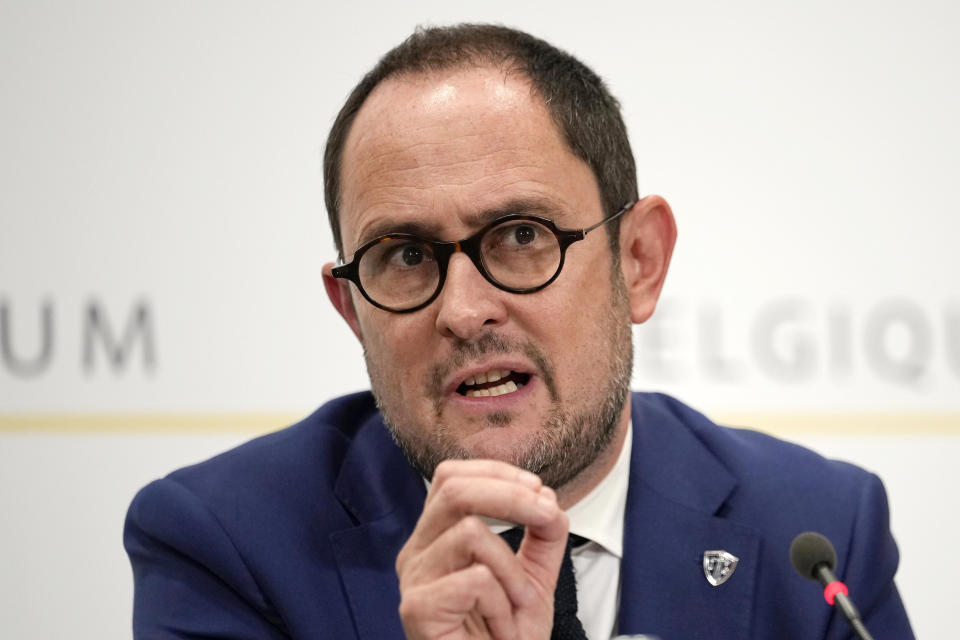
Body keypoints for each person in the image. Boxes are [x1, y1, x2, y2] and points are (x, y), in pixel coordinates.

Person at [124, 24, 914, 639]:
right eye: (404, 255)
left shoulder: (816, 535)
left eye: (522, 236)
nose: (464, 311)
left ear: (638, 261)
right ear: (352, 311)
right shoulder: (227, 546)